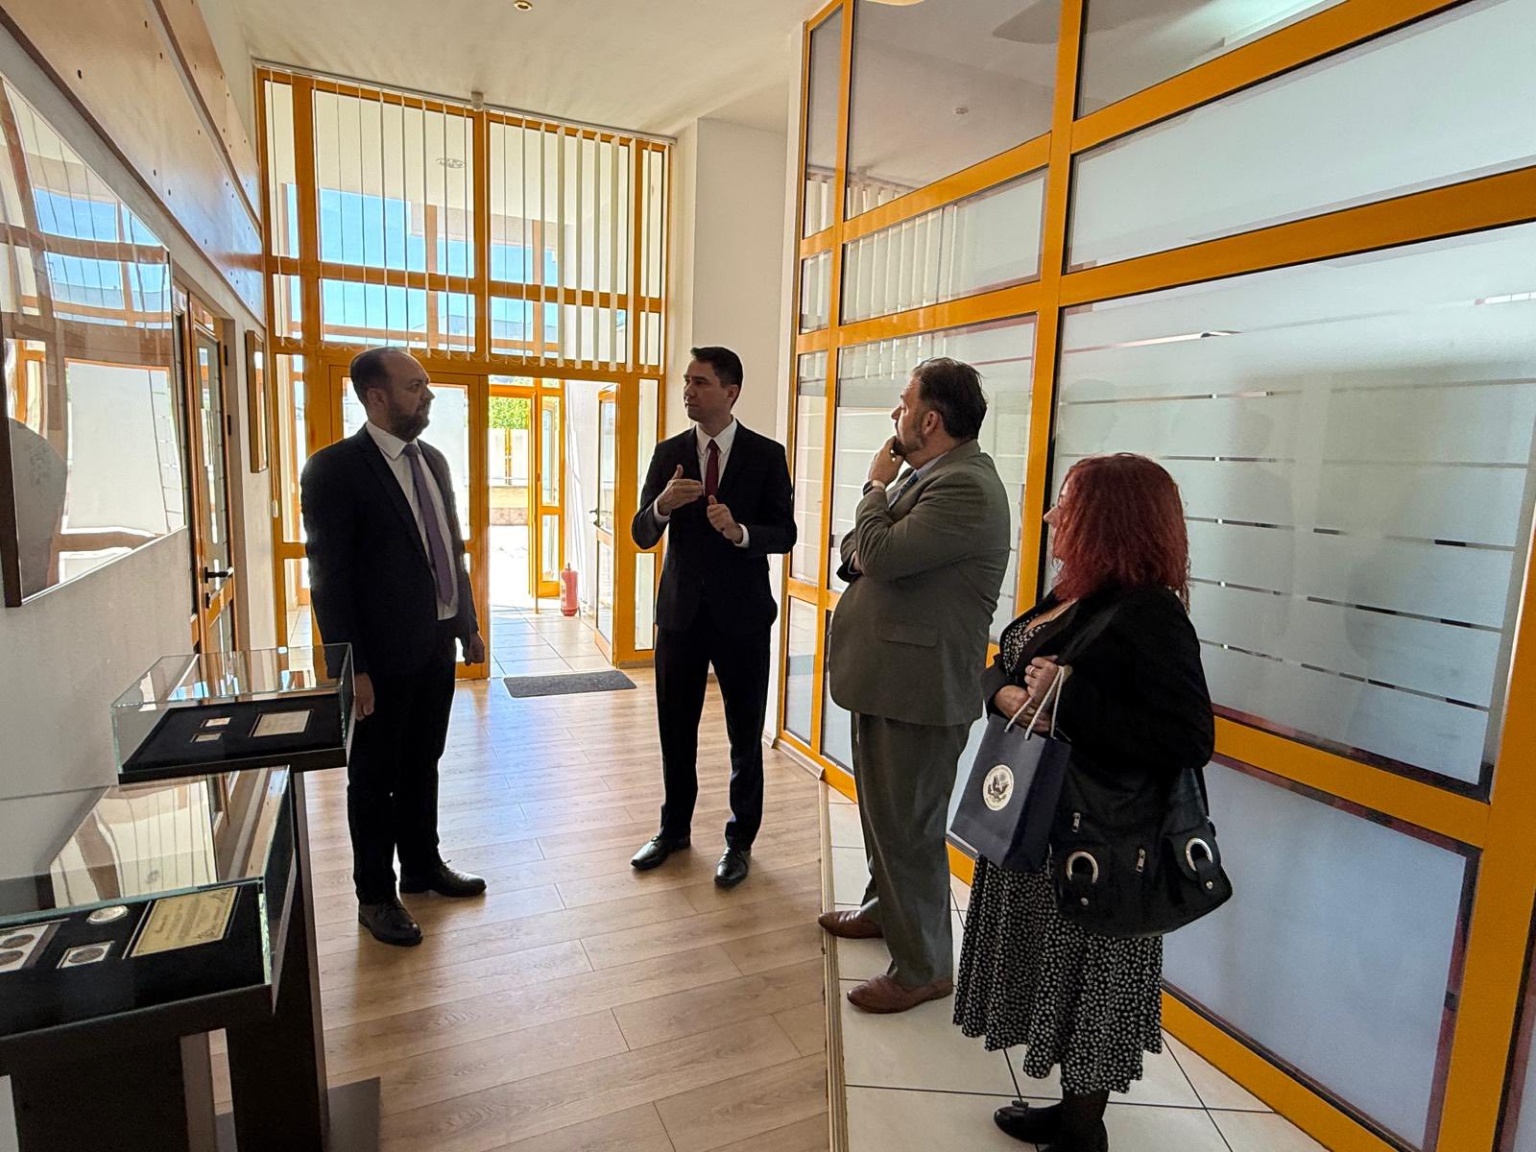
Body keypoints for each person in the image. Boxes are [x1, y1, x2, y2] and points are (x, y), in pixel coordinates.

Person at [954, 453, 1215, 1152]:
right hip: (1043, 826)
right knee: (1054, 978)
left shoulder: (1150, 613)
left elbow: (1190, 737)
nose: (1049, 516)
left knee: (1091, 988)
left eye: (1065, 503)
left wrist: (1068, 700)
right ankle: (1069, 1113)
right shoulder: (1076, 594)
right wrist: (1010, 695)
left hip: (1101, 843)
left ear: (1109, 519)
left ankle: (1081, 1132)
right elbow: (1002, 669)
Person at [821, 357, 1011, 1013]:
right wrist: (875, 531)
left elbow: (876, 553)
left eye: (903, 403)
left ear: (929, 420)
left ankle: (924, 967)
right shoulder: (928, 477)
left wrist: (873, 486)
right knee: (884, 817)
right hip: (888, 680)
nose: (895, 415)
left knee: (909, 831)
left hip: (921, 691)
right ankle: (885, 911)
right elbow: (855, 552)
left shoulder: (965, 487)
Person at [301, 347, 487, 948]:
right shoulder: (334, 470)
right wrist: (350, 667)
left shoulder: (432, 460)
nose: (427, 396)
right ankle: (375, 895)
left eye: (426, 385)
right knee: (373, 777)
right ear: (375, 397)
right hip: (378, 661)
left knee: (423, 760)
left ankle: (422, 867)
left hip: (435, 644)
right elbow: (329, 579)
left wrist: (467, 624)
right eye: (414, 387)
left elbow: (450, 549)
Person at [629, 346, 796, 888]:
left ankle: (739, 841)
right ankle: (673, 830)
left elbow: (786, 532)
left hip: (743, 619)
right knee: (674, 731)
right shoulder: (669, 453)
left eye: (700, 382)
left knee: (744, 737)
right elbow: (640, 532)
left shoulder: (766, 455)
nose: (688, 391)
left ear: (731, 391)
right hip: (680, 616)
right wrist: (662, 506)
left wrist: (740, 532)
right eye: (686, 381)